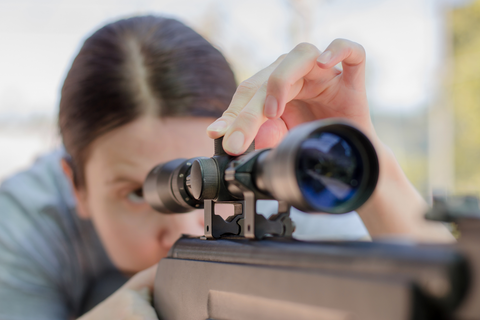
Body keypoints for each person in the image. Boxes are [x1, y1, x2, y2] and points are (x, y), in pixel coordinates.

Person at [0, 15, 453, 320]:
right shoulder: (21, 222)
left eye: (208, 173)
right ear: (74, 187)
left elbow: (442, 292)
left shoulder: (280, 196)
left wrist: (369, 161)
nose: (183, 222)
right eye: (137, 192)